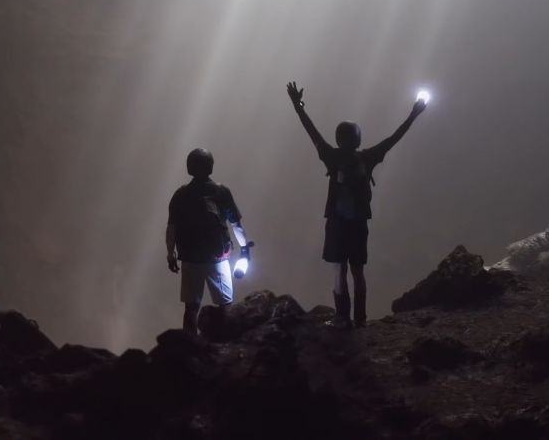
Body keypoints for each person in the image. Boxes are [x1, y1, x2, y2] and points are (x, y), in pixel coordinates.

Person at [286, 81, 427, 328]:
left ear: (339, 138)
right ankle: (360, 319)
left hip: (337, 223)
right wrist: (413, 114)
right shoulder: (367, 157)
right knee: (358, 271)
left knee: (338, 270)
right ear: (358, 138)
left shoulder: (331, 156)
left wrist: (298, 106)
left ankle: (342, 317)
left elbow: (312, 132)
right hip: (359, 223)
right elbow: (393, 138)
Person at [166, 148, 251, 335]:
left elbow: (172, 227)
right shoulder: (221, 192)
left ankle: (189, 346)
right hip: (218, 257)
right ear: (210, 166)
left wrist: (170, 253)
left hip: (190, 258)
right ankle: (225, 344)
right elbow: (236, 225)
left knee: (191, 307)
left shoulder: (181, 195)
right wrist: (245, 249)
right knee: (225, 305)